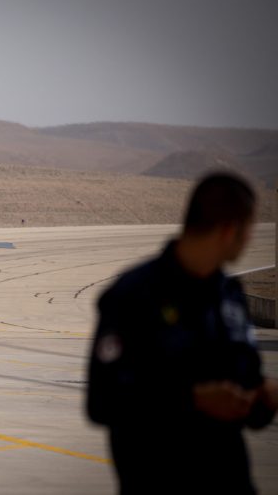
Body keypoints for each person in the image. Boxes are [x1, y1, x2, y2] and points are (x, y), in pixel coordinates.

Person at [86, 172, 278, 495]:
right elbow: (102, 402)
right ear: (229, 230)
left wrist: (263, 399)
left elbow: (245, 388)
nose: (250, 240)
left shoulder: (229, 297)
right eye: (249, 230)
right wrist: (191, 400)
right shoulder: (133, 296)